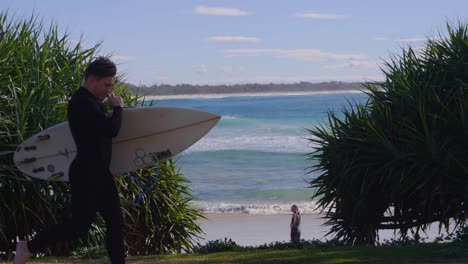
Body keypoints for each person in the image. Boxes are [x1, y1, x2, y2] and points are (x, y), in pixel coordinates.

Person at [14, 57, 126, 264]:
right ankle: (28, 246)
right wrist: (118, 109)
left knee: (115, 221)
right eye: (106, 85)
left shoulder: (92, 102)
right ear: (92, 79)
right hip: (86, 173)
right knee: (79, 227)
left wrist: (109, 166)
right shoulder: (82, 102)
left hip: (98, 172)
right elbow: (111, 130)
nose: (109, 90)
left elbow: (99, 141)